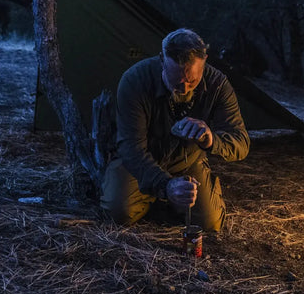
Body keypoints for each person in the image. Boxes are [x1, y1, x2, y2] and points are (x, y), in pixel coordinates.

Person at [100, 28, 250, 232]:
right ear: (162, 60)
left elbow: (241, 142)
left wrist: (210, 140)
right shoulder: (135, 80)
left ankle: (167, 200)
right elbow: (131, 149)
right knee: (119, 213)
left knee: (209, 224)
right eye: (176, 82)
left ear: (204, 60)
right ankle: (158, 197)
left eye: (192, 81)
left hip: (188, 162)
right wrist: (167, 185)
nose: (185, 88)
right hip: (142, 162)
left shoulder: (218, 85)